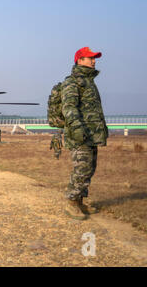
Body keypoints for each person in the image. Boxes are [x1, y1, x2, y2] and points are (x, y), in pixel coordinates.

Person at [62, 47, 108, 220]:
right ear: (80, 60)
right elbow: (69, 108)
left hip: (91, 135)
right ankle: (71, 202)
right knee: (81, 169)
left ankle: (80, 201)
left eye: (94, 58)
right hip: (80, 135)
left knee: (89, 169)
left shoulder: (89, 82)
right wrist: (77, 128)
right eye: (90, 58)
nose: (94, 61)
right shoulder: (73, 82)